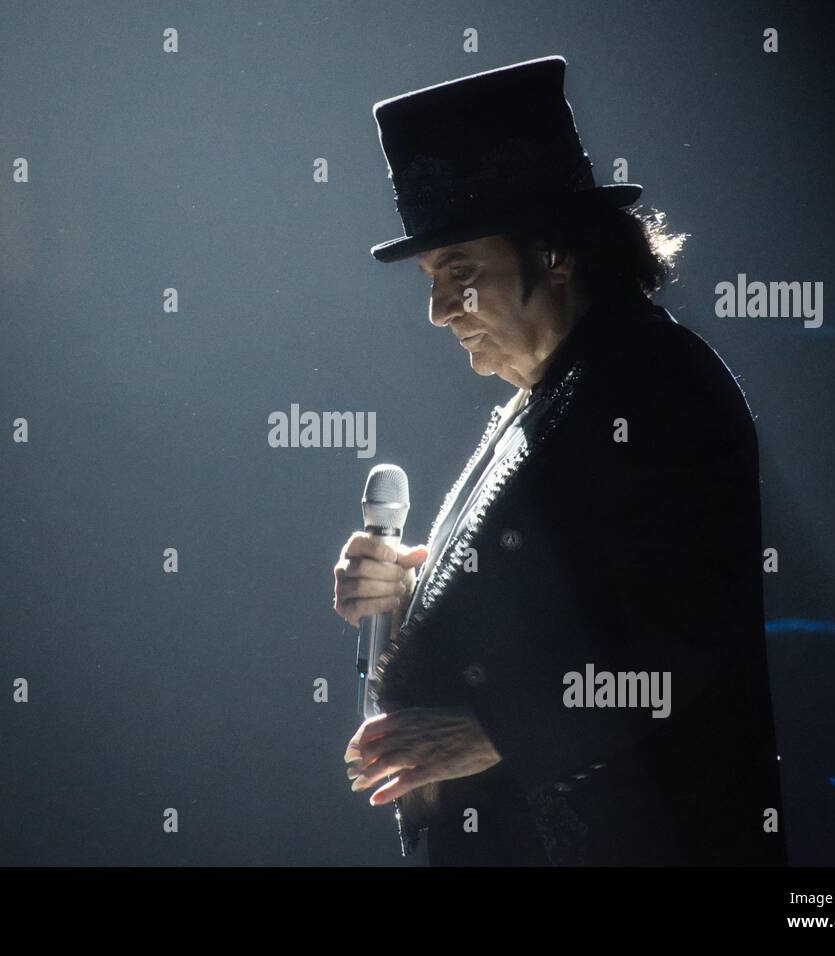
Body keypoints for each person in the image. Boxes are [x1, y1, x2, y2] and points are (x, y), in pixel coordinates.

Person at [332, 55, 787, 865]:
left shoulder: (654, 383)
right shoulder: (547, 399)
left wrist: (500, 726)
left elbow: (685, 634)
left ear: (556, 255)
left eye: (459, 272)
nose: (438, 310)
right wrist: (408, 591)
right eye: (436, 279)